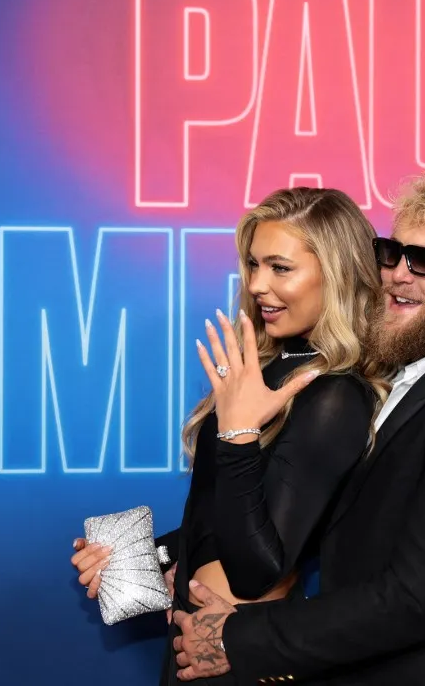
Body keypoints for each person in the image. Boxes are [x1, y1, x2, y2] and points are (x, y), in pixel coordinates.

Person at [171, 168, 425, 685]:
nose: (398, 273)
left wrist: (238, 637)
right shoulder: (386, 368)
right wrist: (157, 557)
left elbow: (413, 598)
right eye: (392, 252)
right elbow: (306, 511)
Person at [70, 187, 391, 684]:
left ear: (339, 273)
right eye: (253, 264)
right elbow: (225, 515)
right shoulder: (270, 369)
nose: (259, 285)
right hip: (195, 646)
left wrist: (239, 432)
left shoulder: (334, 396)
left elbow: (257, 569)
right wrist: (144, 556)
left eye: (281, 268)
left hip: (241, 660)